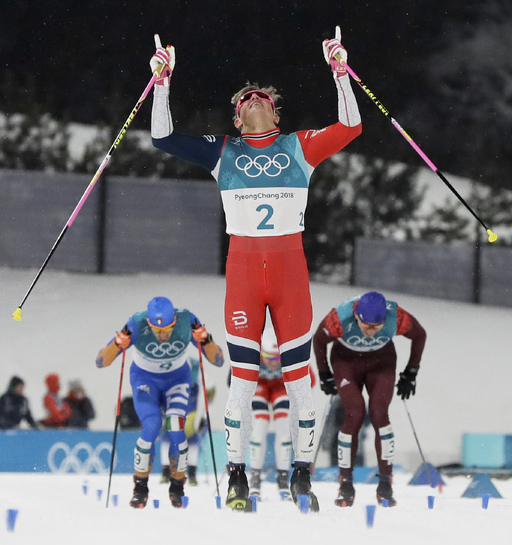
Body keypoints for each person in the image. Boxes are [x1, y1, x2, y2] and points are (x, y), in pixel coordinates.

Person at [148, 25, 362, 512]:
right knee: (242, 381)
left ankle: (301, 474)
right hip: (244, 273)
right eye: (245, 100)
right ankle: (237, 476)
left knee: (299, 381)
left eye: (262, 98)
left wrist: (340, 71)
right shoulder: (222, 151)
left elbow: (350, 127)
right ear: (237, 118)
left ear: (276, 113)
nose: (254, 101)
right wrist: (162, 82)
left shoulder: (300, 147)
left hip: (290, 274)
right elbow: (162, 138)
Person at [96, 296, 224, 509]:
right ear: (149, 324)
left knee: (176, 425)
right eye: (157, 330)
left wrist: (206, 340)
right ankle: (140, 487)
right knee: (152, 425)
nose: (163, 335)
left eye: (168, 329)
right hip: (145, 380)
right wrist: (118, 343)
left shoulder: (187, 320)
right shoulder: (137, 323)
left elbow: (218, 360)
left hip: (177, 379)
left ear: (175, 321)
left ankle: (177, 486)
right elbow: (101, 361)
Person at [313, 291, 427, 507]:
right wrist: (324, 373)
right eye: (366, 325)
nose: (371, 331)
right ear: (357, 315)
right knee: (354, 413)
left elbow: (420, 335)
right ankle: (345, 484)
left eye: (377, 327)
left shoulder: (396, 316)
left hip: (381, 362)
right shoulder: (339, 317)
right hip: (346, 361)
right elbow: (319, 340)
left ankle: (385, 484)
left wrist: (411, 372)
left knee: (379, 413)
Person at [248, 327, 316, 501]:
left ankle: (283, 478)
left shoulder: (290, 355)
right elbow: (232, 382)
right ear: (261, 353)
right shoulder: (252, 354)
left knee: (284, 429)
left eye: (277, 358)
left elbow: (310, 381)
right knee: (259, 427)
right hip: (260, 386)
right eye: (269, 358)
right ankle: (254, 477)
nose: (273, 363)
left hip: (281, 386)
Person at [161, 343, 220, 486]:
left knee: (192, 441)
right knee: (167, 438)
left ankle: (192, 474)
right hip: (175, 413)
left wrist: (204, 418)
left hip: (193, 415)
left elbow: (208, 399)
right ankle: (166, 473)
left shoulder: (201, 376)